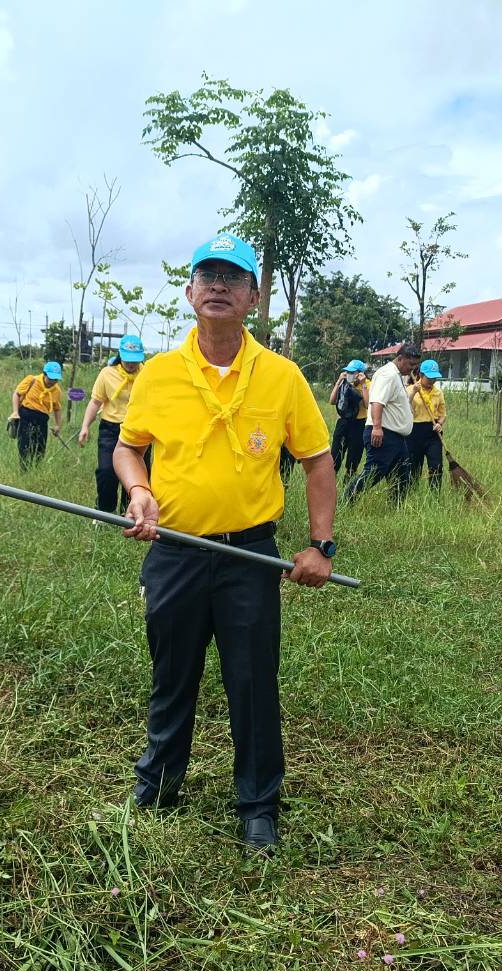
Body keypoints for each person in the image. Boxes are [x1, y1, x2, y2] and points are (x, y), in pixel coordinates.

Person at [112, 232, 337, 853]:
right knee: (172, 672)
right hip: (176, 551)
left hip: (250, 556)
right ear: (188, 293)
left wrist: (320, 545)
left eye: (232, 278)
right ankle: (158, 783)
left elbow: (318, 460)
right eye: (206, 276)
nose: (218, 286)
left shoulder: (282, 377)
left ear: (253, 298)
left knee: (252, 680)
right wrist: (138, 491)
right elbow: (129, 446)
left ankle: (259, 806)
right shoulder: (158, 374)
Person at [79, 336, 147, 513]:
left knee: (136, 476)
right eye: (127, 359)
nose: (131, 364)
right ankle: (105, 512)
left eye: (135, 360)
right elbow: (95, 402)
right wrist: (85, 426)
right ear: (120, 355)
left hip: (138, 430)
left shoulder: (147, 374)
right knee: (106, 472)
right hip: (111, 429)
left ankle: (130, 513)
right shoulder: (107, 374)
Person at [344, 343, 417, 505]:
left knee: (402, 475)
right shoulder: (388, 375)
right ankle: (345, 501)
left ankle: (394, 509)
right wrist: (377, 428)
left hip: (397, 437)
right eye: (410, 364)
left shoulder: (396, 375)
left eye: (415, 365)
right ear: (400, 358)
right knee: (373, 474)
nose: (412, 368)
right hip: (383, 433)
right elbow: (377, 402)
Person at [11, 361, 63, 467]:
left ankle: (37, 469)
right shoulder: (32, 380)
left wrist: (58, 425)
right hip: (26, 415)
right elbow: (17, 394)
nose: (53, 381)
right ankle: (24, 471)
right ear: (44, 374)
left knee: (40, 448)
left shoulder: (57, 390)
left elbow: (57, 408)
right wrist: (15, 412)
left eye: (56, 379)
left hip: (42, 420)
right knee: (25, 446)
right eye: (51, 378)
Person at [407, 358, 447, 490]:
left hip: (433, 432)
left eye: (434, 378)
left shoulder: (438, 392)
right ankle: (412, 492)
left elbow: (442, 414)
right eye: (429, 378)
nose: (432, 381)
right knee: (414, 466)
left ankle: (434, 496)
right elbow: (405, 408)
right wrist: (413, 392)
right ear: (421, 375)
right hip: (415, 432)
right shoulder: (410, 389)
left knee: (436, 466)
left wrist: (440, 423)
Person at [328, 360, 369, 479]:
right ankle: (331, 481)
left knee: (353, 459)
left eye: (353, 372)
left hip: (359, 424)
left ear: (360, 373)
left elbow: (367, 405)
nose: (350, 374)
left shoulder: (367, 384)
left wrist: (363, 385)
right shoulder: (343, 383)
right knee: (335, 455)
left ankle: (348, 484)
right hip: (343, 422)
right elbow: (332, 401)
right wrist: (339, 381)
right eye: (348, 371)